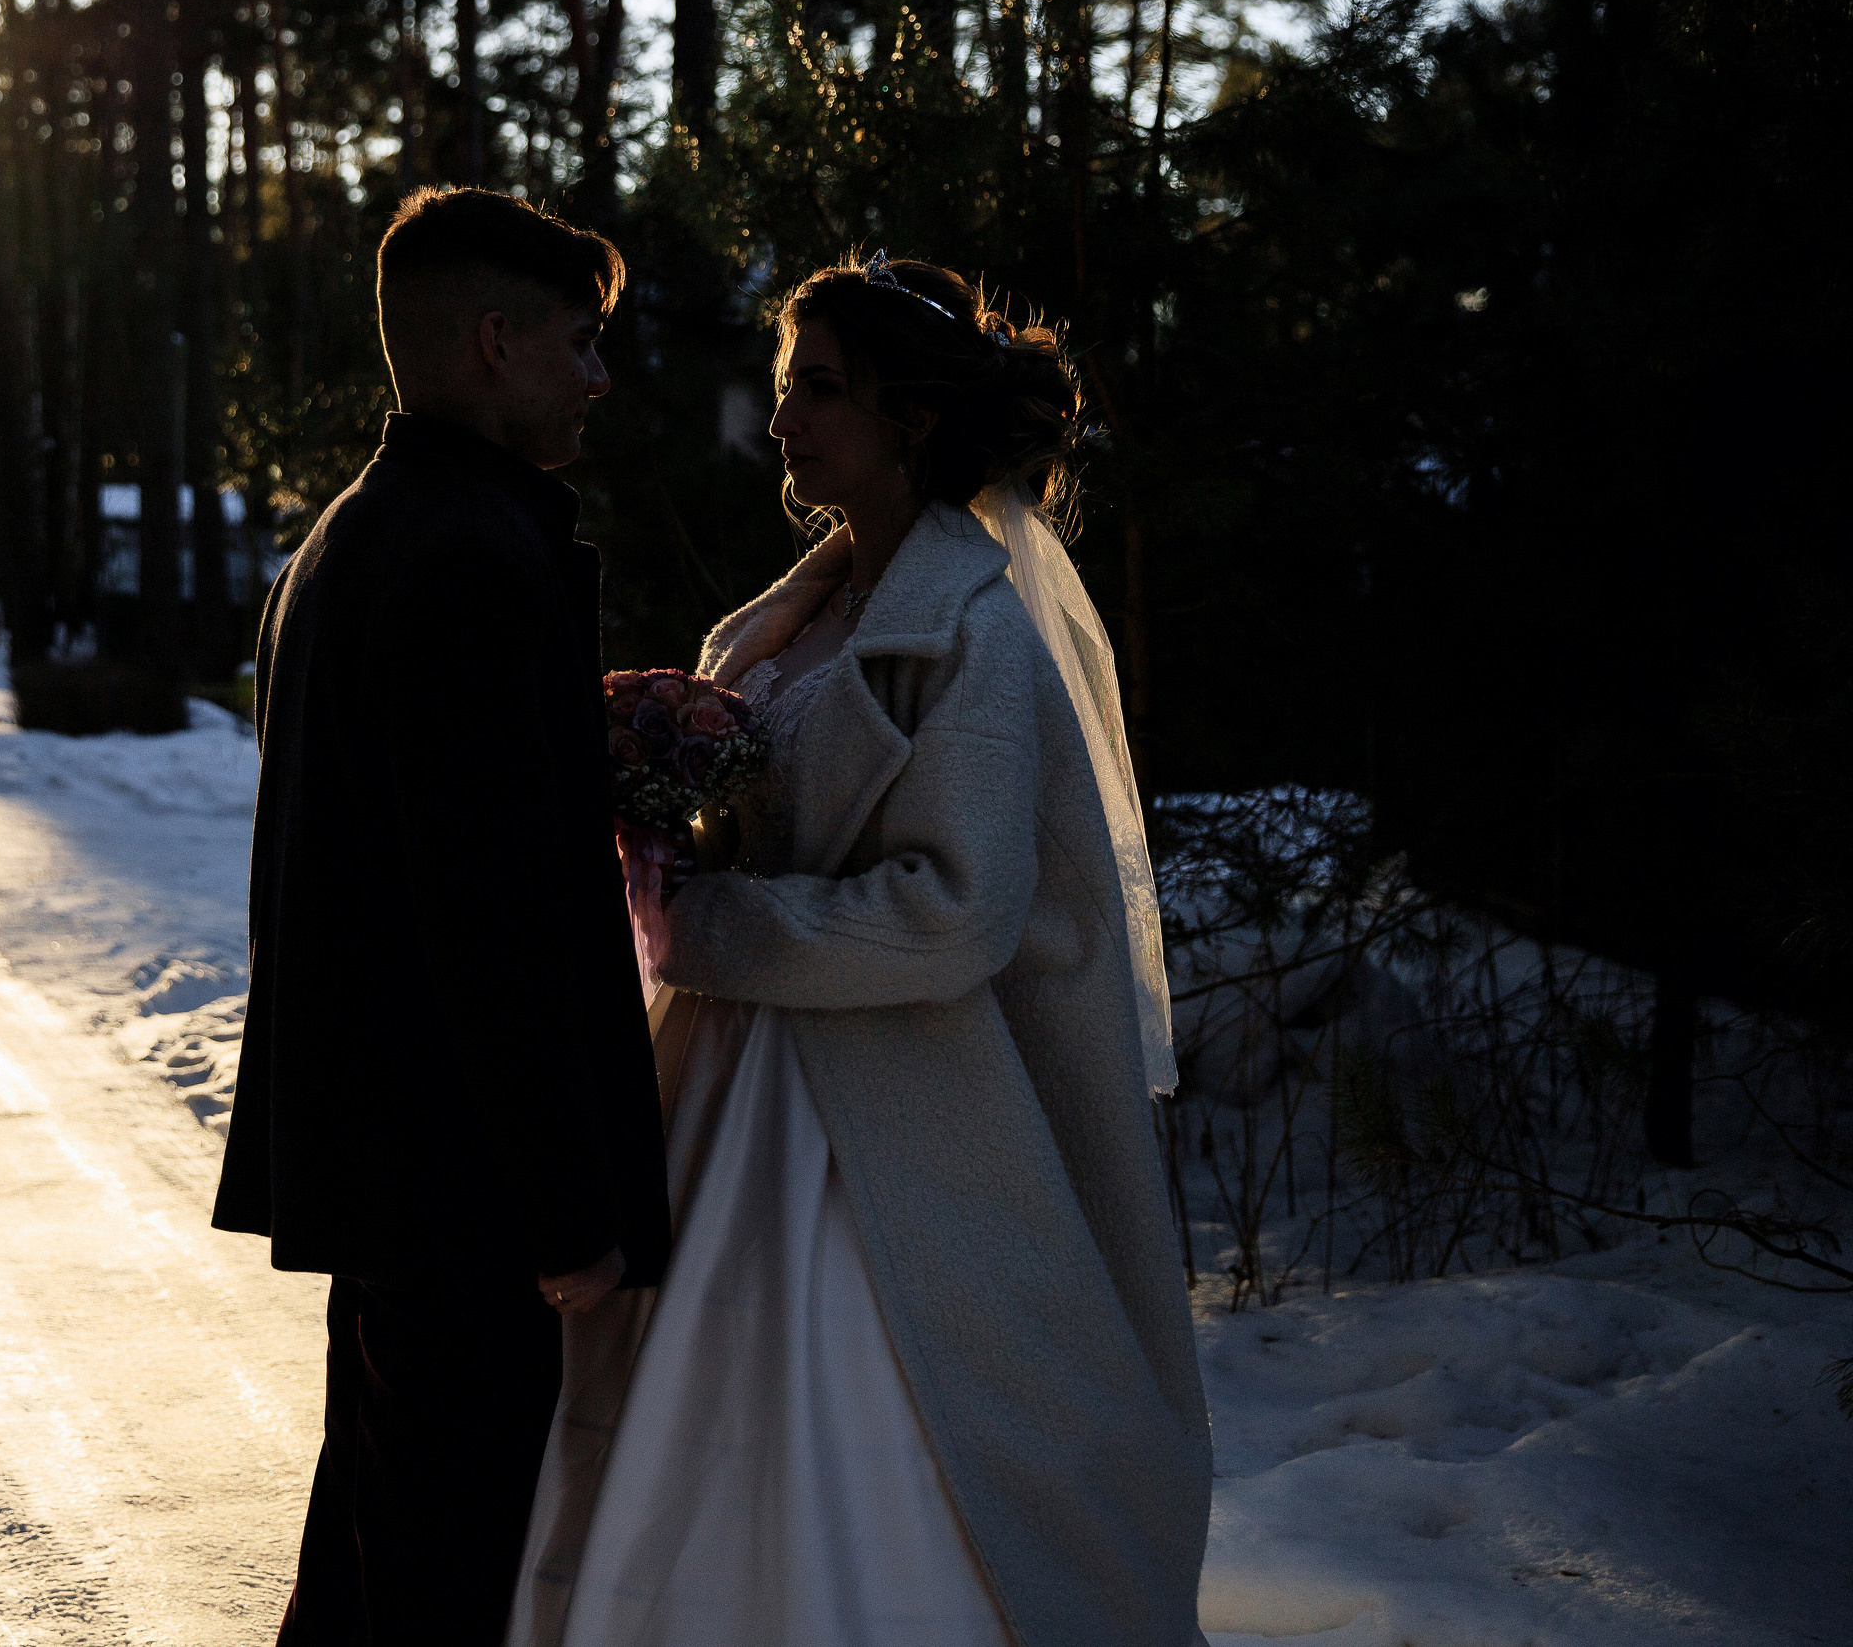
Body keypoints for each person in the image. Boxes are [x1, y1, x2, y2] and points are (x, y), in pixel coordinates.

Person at [509, 254, 1213, 1647]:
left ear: (910, 417)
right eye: (786, 390)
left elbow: (955, 915)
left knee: (854, 1429)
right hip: (726, 1081)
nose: (785, 423)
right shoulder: (792, 610)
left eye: (820, 391)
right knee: (677, 1412)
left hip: (887, 1129)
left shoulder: (973, 635)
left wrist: (706, 923)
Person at [215, 186, 674, 1646]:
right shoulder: (473, 555)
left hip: (392, 1162)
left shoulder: (358, 531)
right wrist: (567, 1204)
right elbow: (495, 921)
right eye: (581, 344)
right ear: (495, 343)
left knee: (372, 1555)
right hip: (461, 1177)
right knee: (439, 1579)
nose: (599, 379)